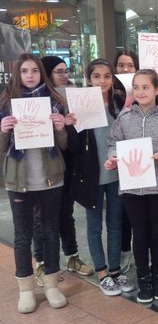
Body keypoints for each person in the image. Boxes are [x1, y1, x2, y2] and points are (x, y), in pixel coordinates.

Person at [105, 69, 158, 303]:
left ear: (157, 89)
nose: (140, 92)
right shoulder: (124, 118)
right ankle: (144, 279)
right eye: (136, 87)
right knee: (139, 234)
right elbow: (112, 144)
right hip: (132, 187)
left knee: (157, 233)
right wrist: (113, 158)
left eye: (146, 87)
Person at [0, 53, 68, 313]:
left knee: (50, 232)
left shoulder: (54, 102)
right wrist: (3, 131)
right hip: (19, 180)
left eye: (35, 71)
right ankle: (26, 289)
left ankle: (51, 284)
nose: (30, 75)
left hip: (51, 179)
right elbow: (1, 148)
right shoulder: (7, 102)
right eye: (25, 71)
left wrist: (61, 128)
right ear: (17, 74)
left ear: (42, 74)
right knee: (22, 236)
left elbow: (63, 146)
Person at [66, 58, 134, 297]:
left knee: (115, 224)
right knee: (94, 226)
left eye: (107, 76)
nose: (102, 81)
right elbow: (74, 148)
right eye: (97, 76)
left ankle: (115, 269)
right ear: (88, 78)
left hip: (117, 174)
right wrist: (71, 126)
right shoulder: (80, 105)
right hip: (91, 177)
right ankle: (102, 272)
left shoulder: (120, 101)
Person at [31, 56, 93, 287]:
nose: (65, 75)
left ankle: (72, 256)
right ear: (47, 74)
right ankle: (42, 263)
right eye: (59, 71)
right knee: (41, 217)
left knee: (66, 212)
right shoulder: (35, 99)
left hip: (67, 163)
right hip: (42, 166)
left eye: (66, 71)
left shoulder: (73, 96)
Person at [114, 49, 140, 274]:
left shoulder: (143, 91)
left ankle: (142, 252)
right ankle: (124, 251)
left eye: (130, 65)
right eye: (121, 65)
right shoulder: (109, 94)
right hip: (117, 161)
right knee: (121, 213)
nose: (125, 69)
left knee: (139, 213)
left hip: (139, 161)